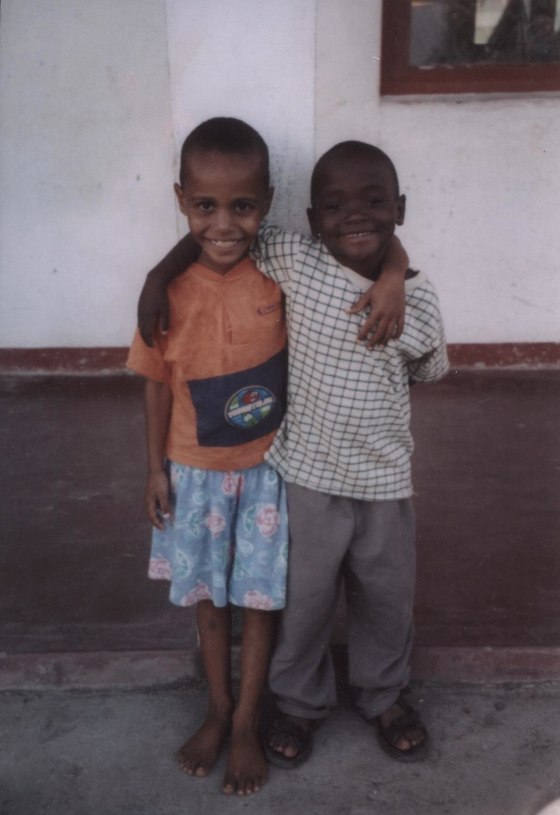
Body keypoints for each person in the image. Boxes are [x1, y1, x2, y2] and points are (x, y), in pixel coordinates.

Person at [137, 132, 437, 772]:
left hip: (360, 478)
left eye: (373, 201)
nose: (353, 215)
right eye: (334, 205)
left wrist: (392, 277)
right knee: (298, 601)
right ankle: (291, 705)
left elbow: (427, 367)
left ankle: (379, 696)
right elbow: (208, 234)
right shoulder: (287, 261)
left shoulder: (398, 294)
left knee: (379, 596)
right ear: (307, 219)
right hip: (291, 474)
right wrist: (157, 274)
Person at [127, 118, 290, 797]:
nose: (224, 223)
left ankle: (249, 718)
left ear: (268, 202)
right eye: (205, 205)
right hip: (192, 474)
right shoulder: (170, 293)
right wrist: (155, 468)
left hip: (266, 474)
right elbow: (157, 383)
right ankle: (218, 709)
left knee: (258, 601)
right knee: (209, 600)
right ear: (181, 200)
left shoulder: (281, 272)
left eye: (242, 205)